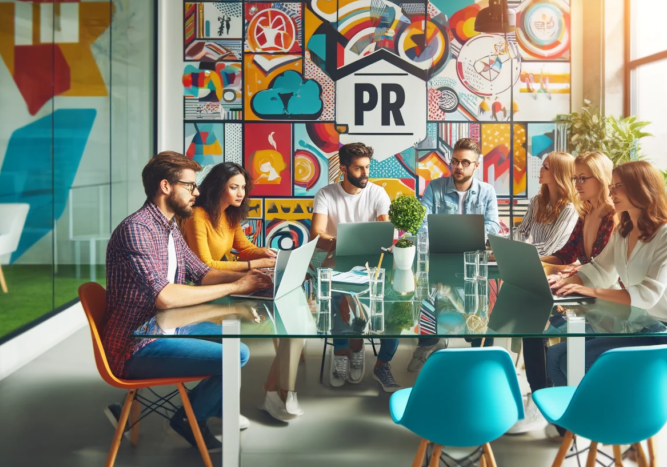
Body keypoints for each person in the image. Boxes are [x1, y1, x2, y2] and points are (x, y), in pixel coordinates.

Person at [102, 151, 273, 452]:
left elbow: (201, 272)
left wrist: (253, 280)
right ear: (166, 186)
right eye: (189, 185)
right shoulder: (138, 230)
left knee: (235, 342)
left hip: (165, 327)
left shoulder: (168, 226)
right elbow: (166, 297)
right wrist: (236, 284)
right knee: (236, 355)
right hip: (136, 344)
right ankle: (188, 418)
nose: (197, 192)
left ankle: (204, 408)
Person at [547, 160, 667, 388]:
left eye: (618, 185)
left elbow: (648, 294)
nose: (611, 192)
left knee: (575, 363)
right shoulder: (623, 231)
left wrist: (589, 291)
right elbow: (599, 268)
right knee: (555, 355)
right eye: (611, 185)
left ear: (641, 188)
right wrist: (563, 284)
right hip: (642, 327)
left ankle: (599, 420)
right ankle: (574, 423)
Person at [180, 163, 304, 423]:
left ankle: (279, 391)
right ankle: (247, 400)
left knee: (294, 323)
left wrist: (268, 253)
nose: (241, 193)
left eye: (243, 188)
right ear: (217, 188)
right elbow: (205, 266)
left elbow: (244, 247)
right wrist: (253, 265)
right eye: (234, 187)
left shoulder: (229, 214)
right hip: (202, 293)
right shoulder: (196, 216)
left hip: (225, 285)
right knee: (278, 325)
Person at [508, 151, 617, 434]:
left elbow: (605, 268)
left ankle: (558, 409)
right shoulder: (587, 212)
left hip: (604, 300)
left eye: (583, 178)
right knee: (529, 324)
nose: (577, 184)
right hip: (581, 289)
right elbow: (569, 253)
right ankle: (542, 399)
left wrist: (571, 272)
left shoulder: (613, 218)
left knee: (546, 334)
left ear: (602, 179)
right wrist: (537, 265)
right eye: (575, 178)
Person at [310, 143, 403, 393]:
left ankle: (367, 353)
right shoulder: (326, 194)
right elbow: (316, 235)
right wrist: (341, 240)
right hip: (336, 263)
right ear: (343, 168)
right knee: (339, 291)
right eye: (359, 168)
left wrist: (389, 235)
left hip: (372, 267)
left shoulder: (377, 193)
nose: (365, 173)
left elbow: (387, 230)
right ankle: (342, 351)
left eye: (367, 168)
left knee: (399, 304)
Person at [409, 138, 502, 371]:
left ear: (476, 165)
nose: (458, 167)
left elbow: (493, 226)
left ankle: (481, 355)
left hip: (474, 261)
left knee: (484, 304)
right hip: (440, 258)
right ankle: (428, 343)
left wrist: (468, 237)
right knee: (426, 291)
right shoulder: (435, 187)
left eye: (465, 162)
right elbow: (423, 224)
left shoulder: (487, 191)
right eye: (455, 161)